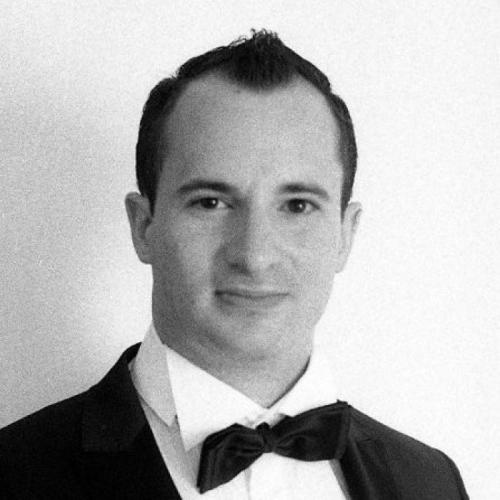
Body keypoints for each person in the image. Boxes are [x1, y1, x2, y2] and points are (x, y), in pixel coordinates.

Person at [0, 30, 468, 499]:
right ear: (144, 227)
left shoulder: (432, 483)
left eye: (298, 206)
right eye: (211, 202)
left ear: (346, 234)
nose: (254, 256)